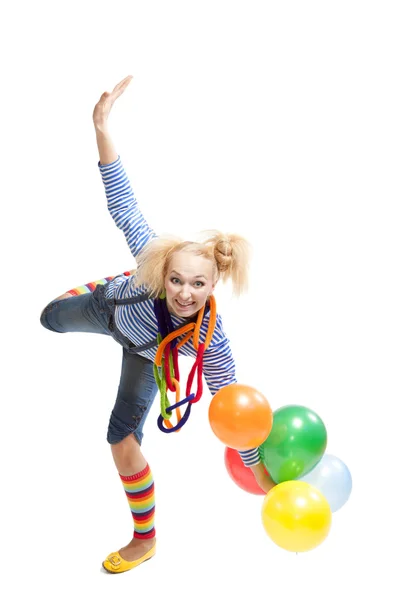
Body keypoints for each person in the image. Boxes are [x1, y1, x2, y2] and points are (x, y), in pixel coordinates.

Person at [40, 75, 275, 574]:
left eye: (198, 285)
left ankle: (144, 539)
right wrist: (101, 127)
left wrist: (259, 471)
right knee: (49, 320)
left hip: (145, 355)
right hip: (108, 307)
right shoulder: (152, 262)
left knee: (120, 441)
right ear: (163, 274)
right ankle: (105, 286)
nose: (185, 292)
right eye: (176, 280)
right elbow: (122, 203)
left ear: (213, 287)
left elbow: (232, 407)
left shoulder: (210, 341)